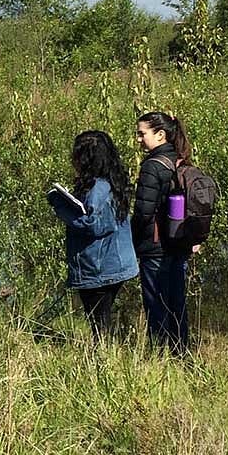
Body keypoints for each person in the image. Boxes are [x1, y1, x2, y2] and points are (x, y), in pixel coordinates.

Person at [47, 130, 139, 342]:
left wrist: (62, 206)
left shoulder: (99, 188)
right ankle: (104, 360)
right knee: (101, 320)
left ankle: (103, 364)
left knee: (99, 323)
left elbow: (95, 225)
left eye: (76, 155)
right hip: (113, 263)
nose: (73, 159)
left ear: (86, 158)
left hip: (100, 267)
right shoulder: (113, 181)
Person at [131, 111, 193, 354]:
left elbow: (143, 212)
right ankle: (181, 352)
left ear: (160, 135)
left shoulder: (152, 166)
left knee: (156, 303)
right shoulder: (181, 161)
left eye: (141, 134)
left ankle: (159, 354)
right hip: (178, 242)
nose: (138, 139)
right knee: (177, 302)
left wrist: (134, 240)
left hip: (155, 246)